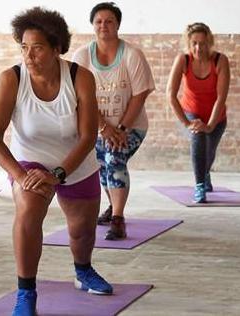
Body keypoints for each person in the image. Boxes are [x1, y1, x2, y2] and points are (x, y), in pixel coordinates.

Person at [0, 7, 113, 316]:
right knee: (28, 211)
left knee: (82, 231)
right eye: (24, 47)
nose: (29, 55)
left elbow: (86, 136)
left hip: (76, 162)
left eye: (38, 47)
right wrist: (20, 175)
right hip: (30, 160)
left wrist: (59, 173)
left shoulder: (80, 77)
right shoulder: (11, 79)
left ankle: (83, 270)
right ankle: (26, 292)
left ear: (57, 49)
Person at [72, 2, 155, 240]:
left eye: (109, 21)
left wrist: (120, 129)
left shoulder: (132, 55)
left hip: (131, 127)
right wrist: (103, 127)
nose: (103, 26)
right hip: (96, 127)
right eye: (98, 21)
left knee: (114, 158)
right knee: (100, 166)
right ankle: (112, 207)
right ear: (92, 25)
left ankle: (118, 219)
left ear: (117, 24)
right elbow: (80, 97)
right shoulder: (82, 56)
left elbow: (140, 95)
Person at [166, 22, 229, 203]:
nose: (198, 48)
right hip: (191, 113)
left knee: (209, 151)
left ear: (209, 43)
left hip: (216, 116)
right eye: (194, 43)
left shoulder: (220, 60)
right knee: (198, 138)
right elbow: (170, 95)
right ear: (188, 43)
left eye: (202, 43)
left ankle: (205, 172)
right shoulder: (183, 60)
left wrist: (210, 125)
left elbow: (221, 98)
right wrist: (187, 123)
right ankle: (200, 185)